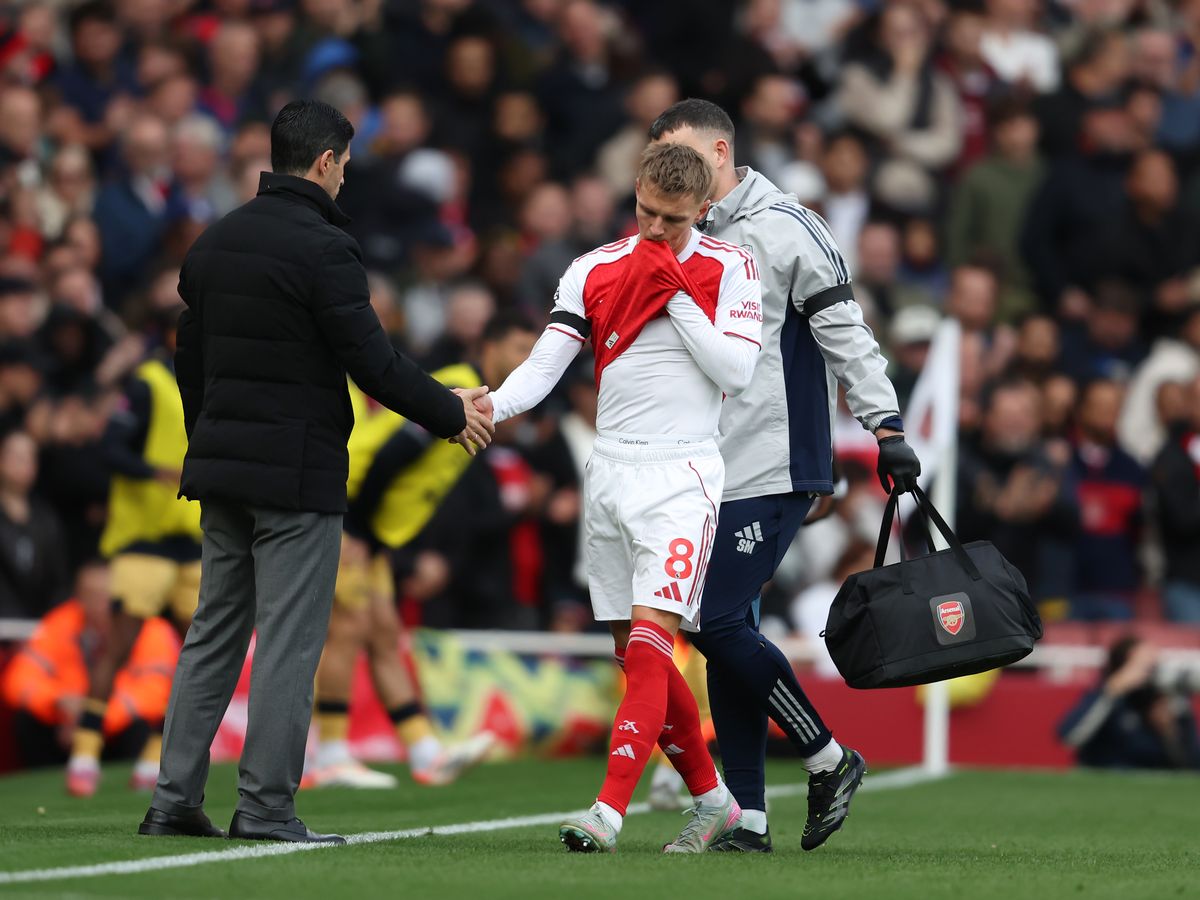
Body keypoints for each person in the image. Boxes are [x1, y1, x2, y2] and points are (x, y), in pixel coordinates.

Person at [138, 100, 493, 845]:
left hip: (224, 469)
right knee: (292, 640)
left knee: (213, 634)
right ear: (328, 162)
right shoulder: (324, 247)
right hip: (296, 475)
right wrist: (450, 413)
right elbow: (373, 361)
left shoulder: (214, 242)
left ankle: (173, 799)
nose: (344, 180)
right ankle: (264, 807)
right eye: (346, 166)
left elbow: (188, 361)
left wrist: (214, 440)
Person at [649, 99, 920, 852]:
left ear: (720, 147)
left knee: (711, 619)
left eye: (681, 153)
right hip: (704, 463)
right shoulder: (681, 233)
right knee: (728, 628)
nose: (670, 171)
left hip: (773, 459)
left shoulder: (787, 227)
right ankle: (750, 818)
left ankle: (829, 757)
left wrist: (885, 427)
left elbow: (846, 333)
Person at [477, 142, 763, 853]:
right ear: (633, 193)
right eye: (645, 212)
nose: (656, 229)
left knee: (649, 643)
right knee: (635, 656)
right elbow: (548, 363)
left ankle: (608, 810)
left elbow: (739, 370)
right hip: (609, 473)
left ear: (703, 209)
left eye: (671, 218)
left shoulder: (731, 268)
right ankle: (715, 801)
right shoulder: (594, 268)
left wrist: (675, 294)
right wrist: (488, 407)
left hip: (682, 475)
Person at [308, 313, 539, 788]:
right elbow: (395, 453)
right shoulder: (460, 387)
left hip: (365, 523)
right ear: (489, 346)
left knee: (385, 633)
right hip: (348, 510)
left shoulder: (479, 395)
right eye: (518, 347)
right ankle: (327, 754)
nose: (525, 361)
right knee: (347, 628)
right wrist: (361, 530)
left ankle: (425, 751)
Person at [65, 307, 202, 798]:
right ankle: (84, 755)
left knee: (203, 658)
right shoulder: (147, 383)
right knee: (119, 647)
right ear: (170, 334)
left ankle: (154, 758)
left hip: (194, 543)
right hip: (143, 543)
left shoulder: (208, 384)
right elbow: (110, 449)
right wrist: (157, 472)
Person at [3, 562, 178, 774]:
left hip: (116, 729)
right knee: (27, 720)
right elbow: (19, 678)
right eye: (90, 595)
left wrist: (91, 720)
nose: (99, 604)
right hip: (65, 725)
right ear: (77, 596)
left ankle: (134, 784)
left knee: (141, 724)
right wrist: (58, 701)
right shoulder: (60, 623)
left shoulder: (150, 628)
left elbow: (155, 692)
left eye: (105, 596)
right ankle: (42, 784)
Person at [1058, 636, 1200, 769]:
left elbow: (1191, 767)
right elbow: (1070, 737)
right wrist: (1111, 691)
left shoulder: (1168, 701)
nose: (1151, 673)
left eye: (1156, 665)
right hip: (1107, 781)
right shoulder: (1107, 696)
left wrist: (1169, 732)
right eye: (1145, 666)